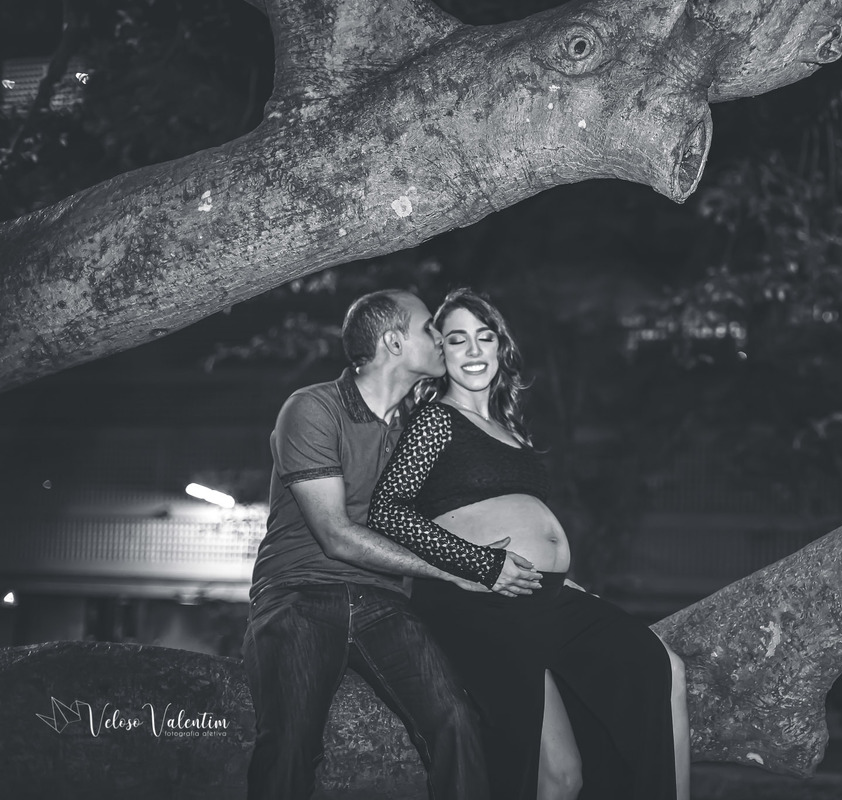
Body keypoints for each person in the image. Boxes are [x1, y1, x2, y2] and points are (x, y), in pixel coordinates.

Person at [367, 288, 691, 800]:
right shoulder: (435, 420)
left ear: (500, 347)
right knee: (555, 775)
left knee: (661, 668)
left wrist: (565, 581)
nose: (474, 350)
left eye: (484, 337)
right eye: (457, 339)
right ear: (441, 352)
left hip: (543, 594)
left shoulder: (509, 430)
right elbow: (387, 510)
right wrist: (479, 562)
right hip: (483, 601)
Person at [243, 289, 543, 799]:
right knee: (290, 744)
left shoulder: (418, 426)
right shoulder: (313, 407)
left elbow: (447, 514)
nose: (442, 336)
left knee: (457, 721)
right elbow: (335, 535)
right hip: (299, 592)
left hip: (384, 601)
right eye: (431, 328)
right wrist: (460, 569)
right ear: (394, 342)